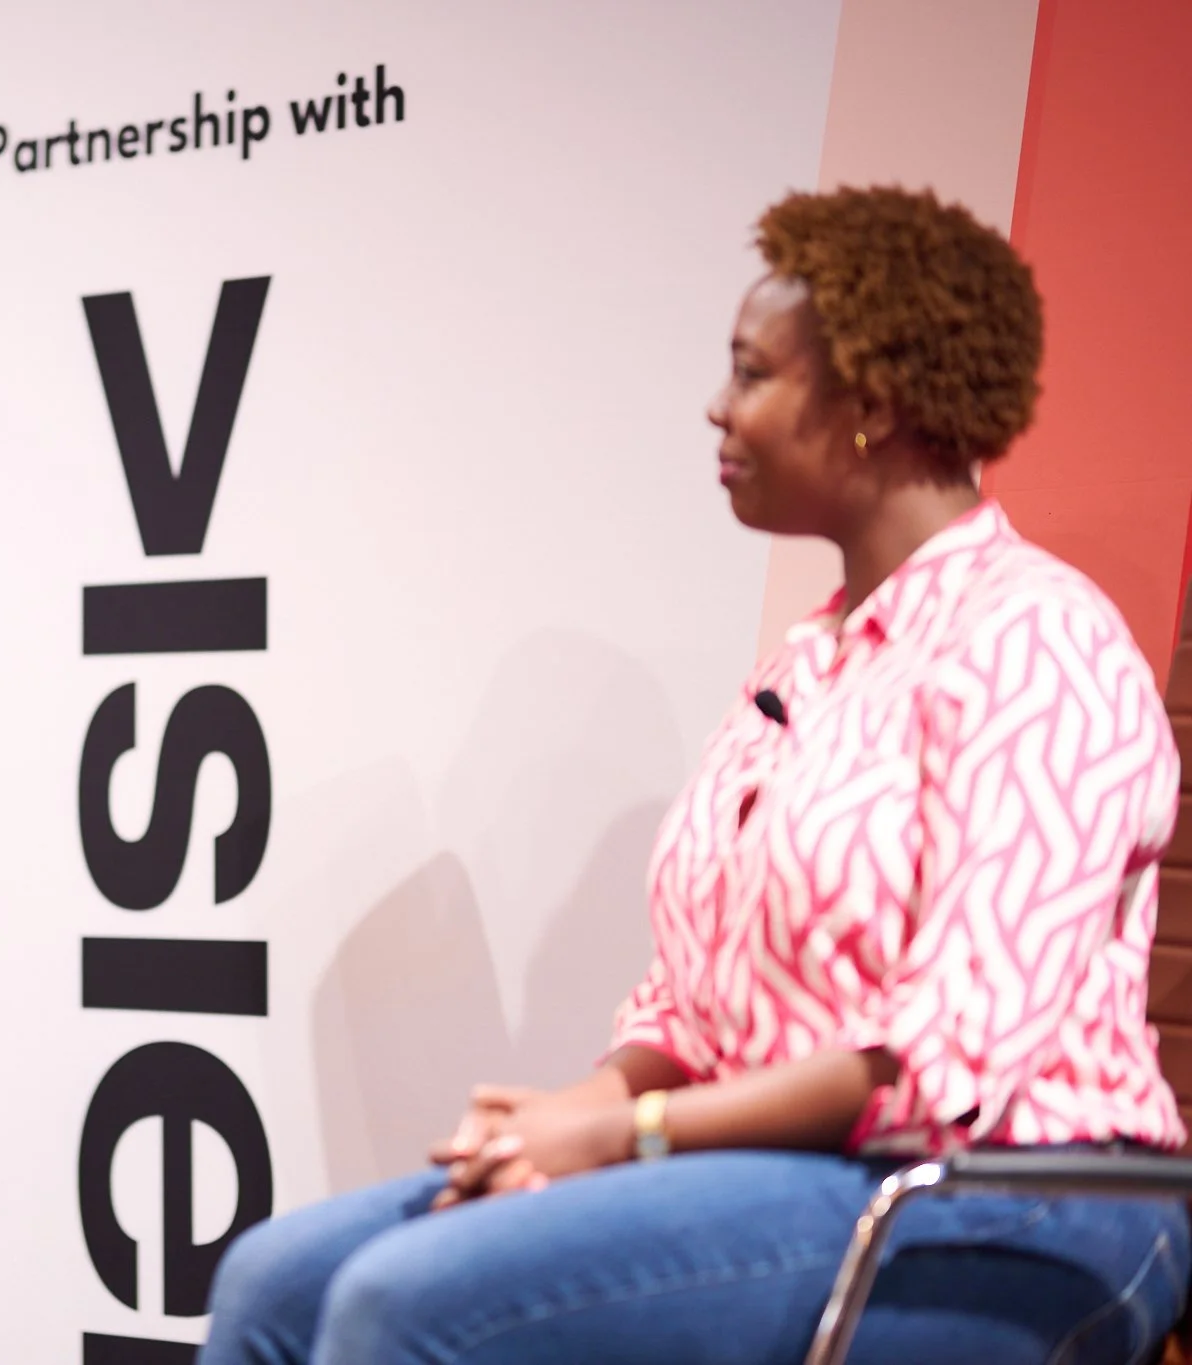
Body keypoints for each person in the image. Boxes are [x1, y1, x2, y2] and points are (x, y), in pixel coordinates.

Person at [199, 187, 1189, 1364]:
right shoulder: (811, 659)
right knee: (274, 1281)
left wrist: (631, 1133)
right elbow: (690, 1010)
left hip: (1011, 1198)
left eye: (752, 373)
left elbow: (942, 1068)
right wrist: (584, 1105)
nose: (716, 408)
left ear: (868, 402)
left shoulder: (1037, 642)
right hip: (781, 1172)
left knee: (402, 1305)